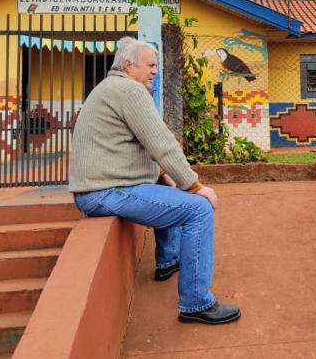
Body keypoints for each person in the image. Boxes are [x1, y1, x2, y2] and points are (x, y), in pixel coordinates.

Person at [69, 36, 240, 325]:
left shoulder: (110, 88)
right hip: (105, 191)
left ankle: (168, 261)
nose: (154, 71)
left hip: (98, 188)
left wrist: (165, 176)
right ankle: (196, 303)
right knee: (197, 209)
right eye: (150, 65)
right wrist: (195, 186)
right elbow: (161, 142)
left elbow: (140, 145)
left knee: (162, 185)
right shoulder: (129, 91)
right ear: (128, 65)